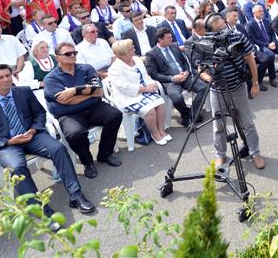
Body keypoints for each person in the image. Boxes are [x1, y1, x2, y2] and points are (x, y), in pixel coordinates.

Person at [0, 64, 96, 223]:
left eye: (8, 75)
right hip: (8, 145)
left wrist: (34, 129)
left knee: (58, 149)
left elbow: (39, 113)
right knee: (17, 167)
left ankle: (76, 195)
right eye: (0, 77)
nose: (5, 80)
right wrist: (8, 141)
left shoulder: (23, 92)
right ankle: (42, 211)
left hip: (32, 136)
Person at [188, 14, 264, 170]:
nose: (223, 29)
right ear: (210, 31)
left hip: (238, 88)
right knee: (219, 126)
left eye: (222, 24)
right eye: (217, 28)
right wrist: (210, 79)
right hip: (217, 91)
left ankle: (255, 153)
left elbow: (250, 59)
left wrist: (255, 83)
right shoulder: (205, 43)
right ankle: (220, 154)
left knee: (248, 123)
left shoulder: (238, 36)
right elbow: (199, 69)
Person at [44, 42, 123, 179]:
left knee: (115, 115)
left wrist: (74, 90)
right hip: (69, 115)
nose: (72, 56)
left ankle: (105, 154)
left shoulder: (86, 68)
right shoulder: (51, 78)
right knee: (75, 134)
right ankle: (88, 162)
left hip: (94, 108)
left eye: (74, 53)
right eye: (68, 54)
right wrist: (90, 94)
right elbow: (64, 101)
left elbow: (97, 87)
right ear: (58, 58)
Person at [106, 40, 171, 145]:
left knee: (160, 103)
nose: (134, 50)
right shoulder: (114, 69)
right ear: (122, 54)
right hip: (128, 97)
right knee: (149, 110)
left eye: (133, 47)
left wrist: (151, 84)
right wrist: (146, 89)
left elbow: (146, 76)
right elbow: (125, 87)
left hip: (144, 91)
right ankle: (155, 134)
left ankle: (161, 130)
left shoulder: (136, 59)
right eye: (131, 49)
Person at [144, 27, 206, 127]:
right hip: (170, 81)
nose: (171, 39)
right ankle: (188, 113)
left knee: (203, 87)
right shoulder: (151, 54)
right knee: (177, 99)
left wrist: (186, 71)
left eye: (171, 36)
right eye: (168, 37)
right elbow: (153, 74)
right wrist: (172, 78)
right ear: (160, 39)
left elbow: (184, 61)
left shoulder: (174, 46)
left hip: (184, 77)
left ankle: (191, 116)